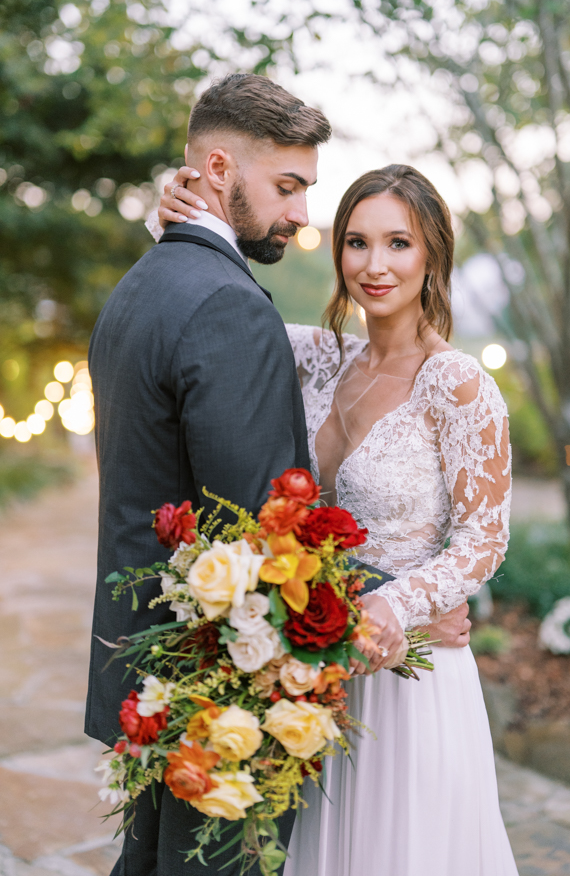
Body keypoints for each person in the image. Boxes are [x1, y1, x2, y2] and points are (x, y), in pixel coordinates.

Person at [157, 161, 517, 874]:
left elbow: (483, 539)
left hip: (408, 676)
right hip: (317, 671)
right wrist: (175, 213)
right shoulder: (317, 356)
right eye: (356, 243)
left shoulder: (458, 383)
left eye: (398, 244)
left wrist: (395, 605)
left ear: (432, 255)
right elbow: (221, 309)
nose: (373, 265)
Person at [85, 73, 328, 876]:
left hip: (149, 672)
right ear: (218, 170)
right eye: (286, 187)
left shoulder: (139, 288)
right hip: (220, 693)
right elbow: (260, 534)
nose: (300, 214)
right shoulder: (226, 304)